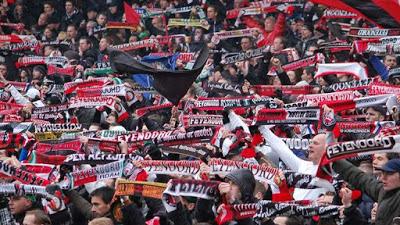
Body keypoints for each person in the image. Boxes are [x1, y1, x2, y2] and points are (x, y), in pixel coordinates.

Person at [333, 158, 400, 225]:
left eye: (389, 174)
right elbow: (360, 178)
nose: (383, 178)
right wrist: (333, 160)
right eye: (383, 173)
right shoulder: (382, 191)